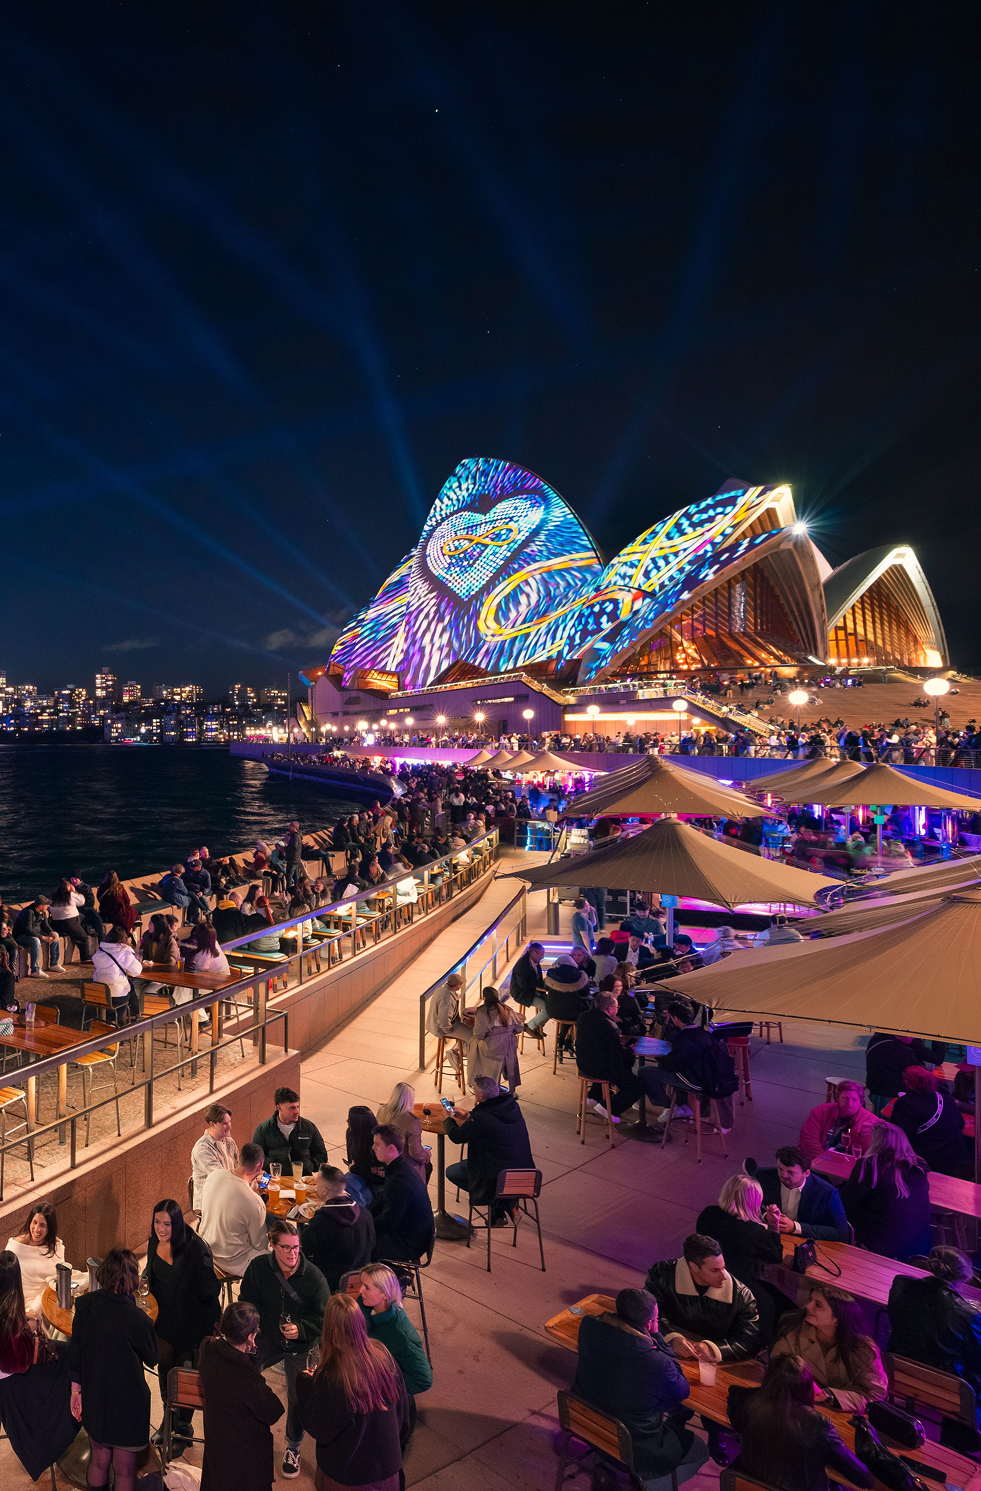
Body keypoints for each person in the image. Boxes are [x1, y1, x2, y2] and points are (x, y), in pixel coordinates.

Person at [573, 1287, 710, 1488]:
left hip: (589, 1428)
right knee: (700, 1450)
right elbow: (682, 1391)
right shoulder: (655, 1361)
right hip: (635, 1448)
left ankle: (604, 1468)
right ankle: (648, 1486)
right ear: (649, 1323)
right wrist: (658, 1338)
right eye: (656, 1318)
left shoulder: (588, 1326)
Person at [240, 1218, 330, 1480]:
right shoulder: (258, 1268)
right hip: (267, 1336)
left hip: (300, 1344)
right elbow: (247, 1301)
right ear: (272, 1245)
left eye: (296, 1247)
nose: (293, 1254)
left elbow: (325, 1319)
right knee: (243, 1369)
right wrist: (250, 1331)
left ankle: (293, 1446)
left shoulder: (313, 1277)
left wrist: (300, 1329)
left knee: (297, 1394)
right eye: (287, 1247)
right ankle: (249, 1426)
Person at [297, 1293, 409, 1489]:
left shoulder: (333, 1376)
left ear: (329, 1328)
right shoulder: (382, 1353)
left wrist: (304, 1383)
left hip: (349, 1476)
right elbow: (402, 1408)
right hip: (388, 1469)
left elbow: (320, 1429)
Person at [69, 1248, 158, 1491]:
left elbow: (75, 1351)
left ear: (104, 1275)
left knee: (99, 1463)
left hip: (96, 1397)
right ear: (132, 1279)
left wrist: (76, 1392)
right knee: (124, 1472)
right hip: (129, 1405)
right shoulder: (139, 1320)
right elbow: (152, 1358)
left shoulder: (85, 1305)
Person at [727, 1353, 874, 1491]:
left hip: (742, 1484)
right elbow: (863, 1477)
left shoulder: (743, 1401)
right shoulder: (818, 1425)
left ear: (767, 1378)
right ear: (808, 1385)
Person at [887, 1245, 981, 1451]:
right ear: (963, 1279)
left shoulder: (900, 1286)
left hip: (900, 1374)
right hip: (949, 1392)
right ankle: (957, 1445)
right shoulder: (966, 1314)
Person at [146, 1198, 221, 1453]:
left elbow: (211, 1288)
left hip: (191, 1321)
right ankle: (168, 1417)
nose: (160, 1228)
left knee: (185, 1373)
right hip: (165, 1318)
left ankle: (183, 1427)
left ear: (177, 1223)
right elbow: (150, 1273)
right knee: (166, 1367)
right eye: (157, 1222)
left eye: (166, 1223)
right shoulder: (154, 1241)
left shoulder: (194, 1248)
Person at [0, 1249, 78, 1484]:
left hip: (8, 1380)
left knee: (64, 1350)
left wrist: (25, 1323)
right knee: (69, 1357)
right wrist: (31, 1326)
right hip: (17, 1385)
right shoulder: (8, 1315)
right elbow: (21, 1363)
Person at [198, 1300, 284, 1491]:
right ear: (251, 1337)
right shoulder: (247, 1377)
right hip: (244, 1457)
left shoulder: (207, 1348)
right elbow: (274, 1411)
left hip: (217, 1444)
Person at [643, 1232, 760, 1361]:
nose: (723, 1276)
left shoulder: (741, 1296)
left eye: (723, 1268)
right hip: (667, 1356)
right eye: (715, 1270)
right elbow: (648, 1314)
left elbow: (750, 1341)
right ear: (693, 1267)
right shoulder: (661, 1275)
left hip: (713, 1365)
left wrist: (713, 1349)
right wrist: (671, 1338)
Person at [771, 1284, 887, 1412]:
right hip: (797, 1409)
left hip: (843, 1415)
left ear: (837, 1319)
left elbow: (875, 1395)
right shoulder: (794, 1330)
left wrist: (829, 1396)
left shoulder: (862, 1348)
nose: (808, 1306)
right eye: (810, 1300)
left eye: (818, 1305)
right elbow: (776, 1369)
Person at [696, 1174, 785, 1340]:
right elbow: (776, 1256)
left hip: (704, 1280)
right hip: (737, 1287)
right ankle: (763, 1342)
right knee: (771, 1300)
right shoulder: (753, 1232)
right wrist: (775, 1227)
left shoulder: (708, 1214)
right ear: (753, 1202)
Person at [444, 1075, 535, 1223]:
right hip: (525, 1176)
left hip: (499, 1178)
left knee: (452, 1172)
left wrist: (448, 1119)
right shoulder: (512, 1106)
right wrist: (469, 1115)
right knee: (496, 1170)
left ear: (480, 1096)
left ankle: (497, 1205)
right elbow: (494, 1122)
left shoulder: (481, 1117)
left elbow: (456, 1137)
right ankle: (506, 1205)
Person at [839, 1120, 931, 1259]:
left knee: (834, 1206)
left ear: (877, 1142)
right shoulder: (918, 1167)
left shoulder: (870, 1165)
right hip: (919, 1244)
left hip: (881, 1243)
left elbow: (848, 1200)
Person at [644, 999, 738, 1135]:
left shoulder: (684, 1038)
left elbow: (673, 1065)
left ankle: (670, 1107)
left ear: (675, 1018)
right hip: (708, 1080)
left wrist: (659, 1057)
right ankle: (680, 1108)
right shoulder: (704, 1034)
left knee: (645, 1072)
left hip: (694, 1081)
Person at [359, 1263, 432, 1433]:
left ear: (384, 1294)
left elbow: (424, 1378)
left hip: (391, 1411)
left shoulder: (401, 1333)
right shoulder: (367, 1304)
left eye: (367, 1287)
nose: (360, 1290)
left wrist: (385, 1389)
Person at [576, 989, 661, 1122]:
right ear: (609, 1009)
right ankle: (609, 1108)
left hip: (583, 1063)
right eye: (617, 1007)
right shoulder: (609, 1025)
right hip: (601, 1068)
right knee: (638, 1085)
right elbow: (617, 1055)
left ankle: (595, 1094)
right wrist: (630, 1050)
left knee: (623, 1065)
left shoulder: (583, 1016)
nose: (618, 1009)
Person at [198, 1142, 270, 1277]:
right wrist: (254, 1196)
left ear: (239, 1159)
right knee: (278, 1260)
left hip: (207, 1249)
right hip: (232, 1261)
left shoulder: (214, 1175)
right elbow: (260, 1245)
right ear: (259, 1166)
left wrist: (250, 1191)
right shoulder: (254, 1202)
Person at [300, 1165, 376, 1291]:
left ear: (324, 1191)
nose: (315, 1188)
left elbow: (306, 1248)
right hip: (361, 1281)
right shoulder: (365, 1214)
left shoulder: (321, 1221)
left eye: (317, 1184)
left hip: (329, 1284)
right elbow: (372, 1244)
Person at [752, 1145, 850, 1241]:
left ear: (806, 1173)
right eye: (780, 1169)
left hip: (806, 1243)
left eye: (790, 1172)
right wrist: (765, 1216)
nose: (783, 1175)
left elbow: (841, 1233)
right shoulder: (764, 1177)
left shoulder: (827, 1192)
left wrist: (795, 1227)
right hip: (771, 1239)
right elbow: (746, 1205)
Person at [369, 1124, 434, 1262]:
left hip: (408, 1244)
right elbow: (384, 1201)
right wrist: (364, 1214)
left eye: (377, 1144)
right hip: (410, 1233)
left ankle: (386, 1279)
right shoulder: (400, 1167)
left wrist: (363, 1225)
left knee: (357, 1244)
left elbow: (388, 1222)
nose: (373, 1148)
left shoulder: (399, 1181)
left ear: (391, 1148)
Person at [891, 1065, 969, 1176]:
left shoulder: (906, 1104)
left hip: (928, 1160)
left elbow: (902, 1135)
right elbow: (960, 1123)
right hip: (955, 1155)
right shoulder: (947, 1099)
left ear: (907, 1083)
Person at [5, 1202, 69, 1313]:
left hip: (49, 1298)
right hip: (20, 1301)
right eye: (34, 1222)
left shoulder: (56, 1246)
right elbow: (5, 1278)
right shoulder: (15, 1247)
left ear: (50, 1228)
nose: (36, 1229)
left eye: (42, 1225)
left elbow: (59, 1278)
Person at [252, 1086, 329, 1176]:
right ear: (279, 1108)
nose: (297, 1111)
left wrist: (308, 1165)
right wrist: (273, 1165)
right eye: (292, 1108)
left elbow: (322, 1155)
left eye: (298, 1107)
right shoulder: (264, 1129)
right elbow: (255, 1157)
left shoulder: (308, 1127)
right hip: (275, 1181)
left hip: (302, 1182)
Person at [799, 1081, 879, 1164]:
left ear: (861, 1102)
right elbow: (809, 1141)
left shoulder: (871, 1121)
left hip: (848, 1166)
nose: (849, 1103)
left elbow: (869, 1153)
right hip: (817, 1161)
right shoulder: (821, 1111)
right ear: (837, 1098)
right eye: (844, 1098)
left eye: (854, 1099)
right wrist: (823, 1162)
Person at [467, 984, 522, 1089]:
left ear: (484, 998)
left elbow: (479, 1034)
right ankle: (511, 1091)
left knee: (473, 1046)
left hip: (494, 1047)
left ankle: (481, 1085)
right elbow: (519, 1028)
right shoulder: (508, 1009)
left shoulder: (482, 1012)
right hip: (510, 1046)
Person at [865, 1030, 936, 1112]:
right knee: (885, 1121)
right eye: (912, 1034)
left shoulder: (877, 1038)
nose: (914, 1037)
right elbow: (920, 1071)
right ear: (902, 1033)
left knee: (878, 1118)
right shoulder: (900, 1049)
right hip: (888, 1094)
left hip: (874, 1089)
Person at [375, 1081, 429, 1180]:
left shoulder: (381, 1111)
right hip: (403, 1165)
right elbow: (416, 1153)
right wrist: (427, 1154)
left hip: (383, 1158)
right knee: (428, 1167)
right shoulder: (411, 1121)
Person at [191, 1103, 240, 1210]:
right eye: (225, 1123)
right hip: (211, 1201)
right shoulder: (202, 1149)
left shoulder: (229, 1141)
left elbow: (238, 1166)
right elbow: (221, 1178)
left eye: (230, 1122)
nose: (230, 1126)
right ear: (212, 1124)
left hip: (229, 1192)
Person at [92, 925, 145, 1019]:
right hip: (116, 994)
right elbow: (137, 971)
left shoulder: (100, 952)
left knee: (127, 990)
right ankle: (134, 1015)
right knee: (128, 993)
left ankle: (135, 1015)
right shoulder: (124, 952)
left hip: (98, 993)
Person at [424, 970, 472, 1073]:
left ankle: (455, 1051)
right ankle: (455, 1053)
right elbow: (444, 1018)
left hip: (442, 1024)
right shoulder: (448, 997)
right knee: (473, 1037)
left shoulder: (441, 990)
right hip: (442, 1028)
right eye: (461, 984)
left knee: (470, 1030)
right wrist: (449, 1029)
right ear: (458, 985)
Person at [543, 963, 590, 1059]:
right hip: (573, 1013)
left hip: (553, 1011)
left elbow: (545, 987)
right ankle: (573, 1042)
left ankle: (562, 1040)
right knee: (580, 1014)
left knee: (566, 1011)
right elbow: (585, 993)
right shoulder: (579, 979)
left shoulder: (552, 978)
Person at [12, 895, 61, 977]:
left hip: (35, 934)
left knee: (56, 935)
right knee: (36, 941)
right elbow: (27, 930)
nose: (47, 906)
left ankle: (54, 964)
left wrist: (51, 932)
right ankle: (35, 970)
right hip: (22, 936)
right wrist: (43, 937)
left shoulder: (42, 912)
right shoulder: (28, 912)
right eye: (46, 905)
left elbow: (45, 926)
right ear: (41, 906)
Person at [508, 940, 549, 1035]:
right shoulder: (522, 965)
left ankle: (537, 1026)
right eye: (541, 954)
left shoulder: (535, 962)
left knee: (554, 1005)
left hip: (532, 991)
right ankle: (530, 1026)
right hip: (522, 994)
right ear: (533, 953)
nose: (542, 956)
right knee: (549, 1009)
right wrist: (539, 989)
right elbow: (524, 985)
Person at [48, 878, 91, 961]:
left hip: (56, 924)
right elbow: (82, 901)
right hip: (70, 923)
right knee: (84, 938)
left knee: (80, 918)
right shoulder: (70, 895)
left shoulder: (53, 896)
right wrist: (75, 891)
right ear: (68, 887)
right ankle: (86, 959)